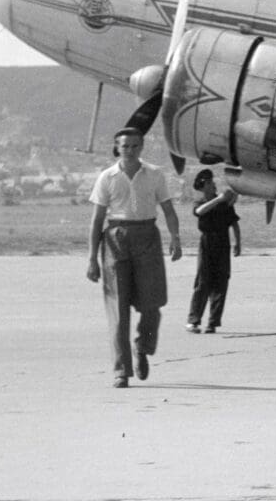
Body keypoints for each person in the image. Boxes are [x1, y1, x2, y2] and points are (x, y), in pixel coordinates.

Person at [86, 128, 182, 387]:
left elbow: (168, 209)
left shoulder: (154, 174)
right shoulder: (107, 177)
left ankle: (143, 347)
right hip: (116, 239)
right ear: (117, 148)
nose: (129, 150)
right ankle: (121, 370)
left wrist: (175, 237)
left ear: (141, 148)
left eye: (134, 146)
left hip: (147, 237)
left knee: (152, 305)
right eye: (124, 146)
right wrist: (92, 258)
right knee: (118, 309)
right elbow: (96, 220)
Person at [187, 168, 242, 334]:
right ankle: (193, 321)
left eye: (212, 181)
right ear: (203, 186)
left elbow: (234, 223)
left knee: (221, 282)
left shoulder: (225, 204)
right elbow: (199, 211)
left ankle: (213, 322)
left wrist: (237, 242)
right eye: (210, 182)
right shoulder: (200, 202)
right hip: (207, 242)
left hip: (222, 243)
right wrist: (219, 199)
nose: (213, 184)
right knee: (203, 282)